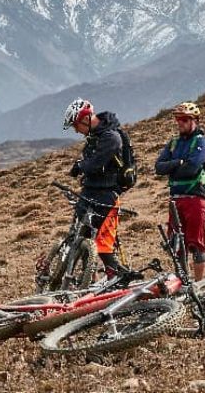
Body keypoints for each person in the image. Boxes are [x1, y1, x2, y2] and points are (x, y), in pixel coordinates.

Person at [62, 98, 125, 279]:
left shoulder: (111, 138)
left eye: (76, 125)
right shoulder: (94, 137)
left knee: (103, 246)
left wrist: (80, 166)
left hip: (107, 195)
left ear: (86, 119)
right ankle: (87, 279)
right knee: (81, 237)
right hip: (89, 192)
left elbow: (95, 164)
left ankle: (117, 281)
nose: (75, 130)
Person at [154, 102, 205, 281]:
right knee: (177, 245)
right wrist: (178, 163)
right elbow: (159, 167)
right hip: (175, 200)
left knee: (197, 245)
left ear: (195, 120)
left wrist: (174, 166)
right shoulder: (173, 143)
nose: (180, 123)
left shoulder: (202, 142)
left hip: (195, 198)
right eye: (178, 119)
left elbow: (192, 169)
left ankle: (198, 285)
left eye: (185, 119)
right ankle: (183, 281)